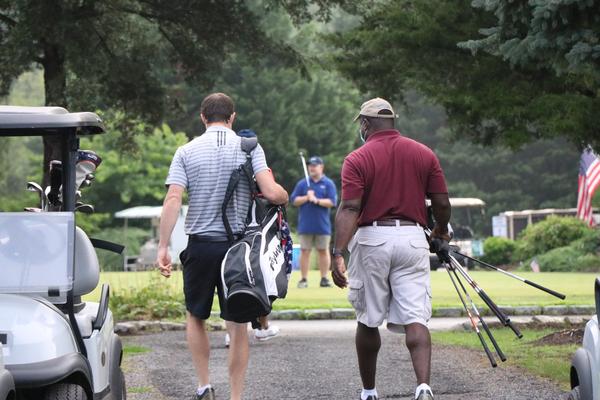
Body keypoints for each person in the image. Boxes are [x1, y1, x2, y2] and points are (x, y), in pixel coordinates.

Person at [156, 93, 288, 400]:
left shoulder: (185, 151)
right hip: (237, 251)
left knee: (195, 316)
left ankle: (203, 385)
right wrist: (281, 194)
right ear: (232, 117)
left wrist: (164, 245)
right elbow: (270, 191)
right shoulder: (250, 148)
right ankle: (236, 396)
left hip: (200, 246)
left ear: (203, 117)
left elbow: (173, 198)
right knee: (238, 323)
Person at [331, 97, 451, 400]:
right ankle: (423, 386)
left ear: (366, 124)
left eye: (361, 123)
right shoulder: (423, 153)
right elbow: (441, 203)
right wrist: (440, 231)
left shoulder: (357, 159)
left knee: (368, 318)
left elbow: (349, 208)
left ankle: (369, 391)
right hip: (412, 239)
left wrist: (337, 253)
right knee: (415, 317)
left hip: (372, 239)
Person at [223, 128, 280, 348]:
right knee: (260, 276)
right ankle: (262, 327)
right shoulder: (257, 163)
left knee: (231, 281)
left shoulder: (229, 162)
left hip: (231, 229)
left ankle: (235, 332)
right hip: (254, 229)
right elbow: (271, 193)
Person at [290, 156, 338, 288]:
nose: (311, 167)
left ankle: (324, 279)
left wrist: (316, 200)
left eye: (314, 165)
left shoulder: (328, 183)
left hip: (322, 225)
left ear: (321, 167)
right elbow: (294, 200)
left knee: (323, 251)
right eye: (310, 165)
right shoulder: (302, 184)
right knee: (305, 251)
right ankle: (303, 279)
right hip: (305, 225)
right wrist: (307, 197)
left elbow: (332, 202)